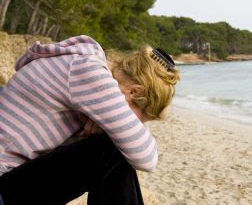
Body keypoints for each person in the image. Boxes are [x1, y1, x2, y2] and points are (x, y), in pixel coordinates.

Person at [0, 35, 179, 204]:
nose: (134, 125)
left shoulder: (81, 64)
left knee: (112, 144)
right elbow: (147, 159)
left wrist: (107, 124)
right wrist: (113, 127)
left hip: (13, 180)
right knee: (111, 150)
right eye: (136, 119)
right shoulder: (88, 70)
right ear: (133, 92)